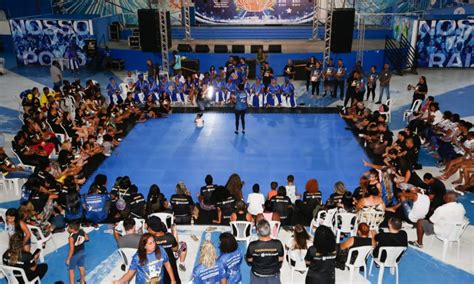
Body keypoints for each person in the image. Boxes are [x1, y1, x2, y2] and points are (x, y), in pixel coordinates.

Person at [246, 219, 284, 283]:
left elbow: (249, 260)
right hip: (273, 274)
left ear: (257, 231)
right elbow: (280, 259)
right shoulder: (278, 243)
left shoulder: (252, 245)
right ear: (269, 230)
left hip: (257, 274)